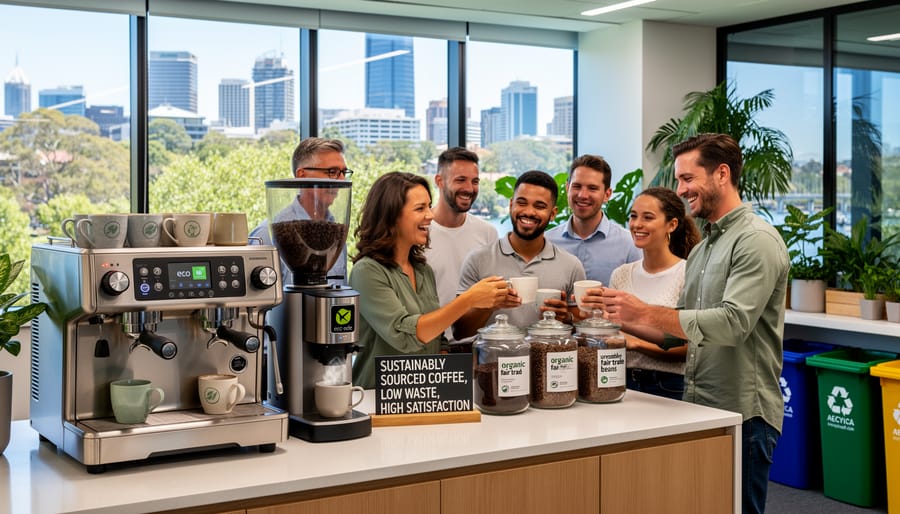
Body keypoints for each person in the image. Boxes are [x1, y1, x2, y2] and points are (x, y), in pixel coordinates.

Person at [599, 133, 789, 514]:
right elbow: (677, 332)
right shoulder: (703, 249)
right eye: (679, 179)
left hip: (743, 412)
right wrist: (620, 318)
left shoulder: (757, 241)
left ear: (721, 174)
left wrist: (645, 311)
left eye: (688, 178)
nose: (681, 189)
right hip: (696, 405)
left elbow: (734, 323)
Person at [350, 172, 509, 389]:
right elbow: (404, 335)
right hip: (376, 396)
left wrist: (444, 377)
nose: (430, 215)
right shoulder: (367, 272)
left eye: (429, 206)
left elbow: (437, 337)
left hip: (423, 395)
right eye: (420, 209)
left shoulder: (423, 270)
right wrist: (469, 299)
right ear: (391, 216)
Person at [453, 170, 586, 338]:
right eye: (522, 203)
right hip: (493, 362)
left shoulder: (571, 265)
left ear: (553, 214)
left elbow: (582, 333)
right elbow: (460, 332)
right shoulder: (478, 260)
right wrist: (490, 305)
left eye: (539, 206)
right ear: (511, 205)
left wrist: (566, 318)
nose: (529, 212)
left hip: (549, 362)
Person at [608, 187, 700, 400]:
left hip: (670, 386)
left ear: (672, 224)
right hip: (621, 382)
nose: (637, 224)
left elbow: (693, 347)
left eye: (648, 217)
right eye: (633, 216)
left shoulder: (688, 274)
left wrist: (636, 344)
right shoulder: (621, 275)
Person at [250, 137, 352, 283]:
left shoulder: (337, 233)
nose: (341, 180)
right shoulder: (267, 236)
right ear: (301, 176)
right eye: (332, 172)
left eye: (344, 172)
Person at [546, 154, 641, 285]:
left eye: (592, 188)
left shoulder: (629, 245)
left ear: (607, 195)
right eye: (577, 186)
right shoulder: (547, 242)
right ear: (567, 188)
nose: (582, 195)